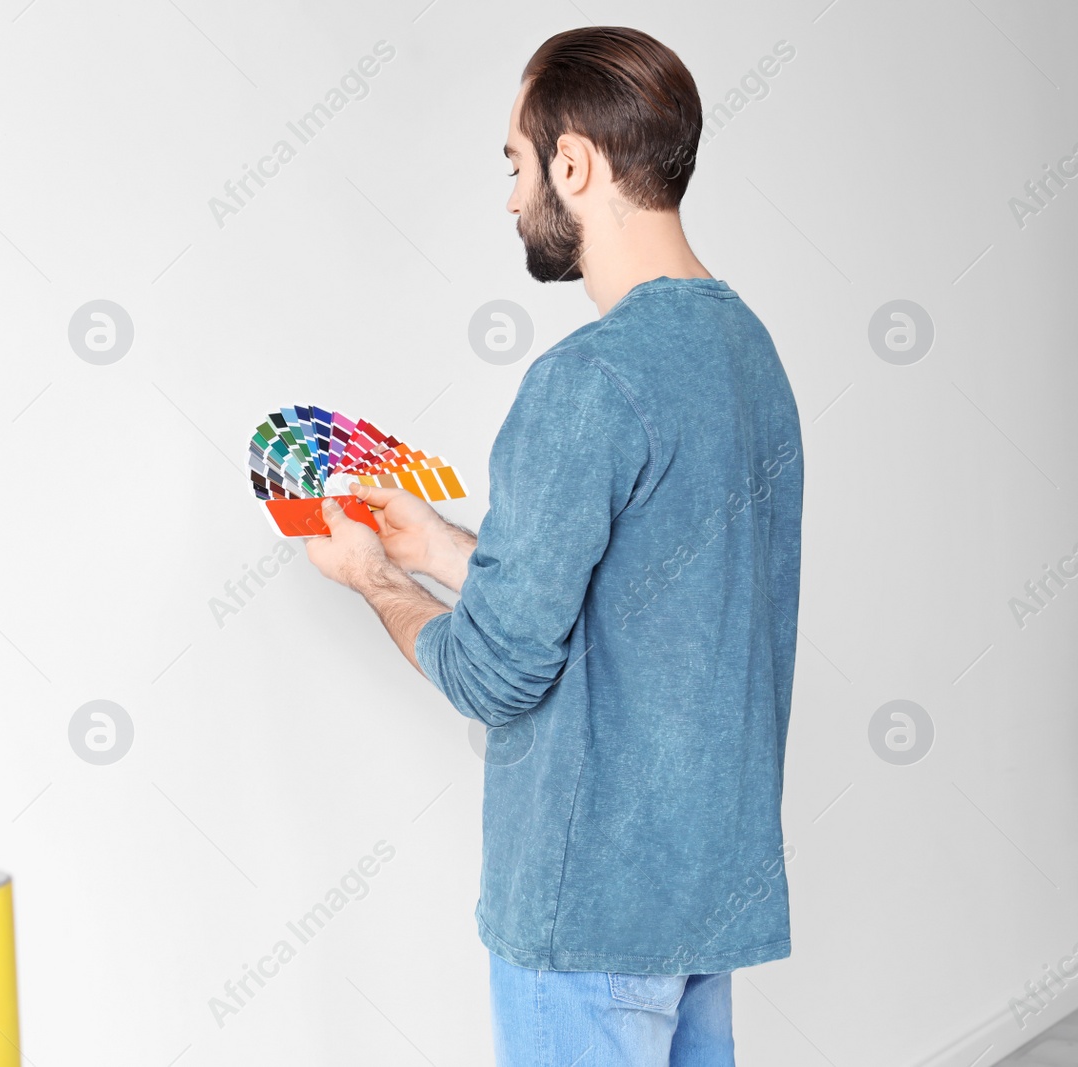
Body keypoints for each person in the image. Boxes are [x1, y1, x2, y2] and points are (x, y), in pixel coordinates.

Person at [302, 25, 803, 1067]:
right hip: (702, 888)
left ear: (573, 163)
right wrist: (443, 544)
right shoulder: (747, 353)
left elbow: (494, 671)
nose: (510, 195)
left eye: (516, 163)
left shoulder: (588, 380)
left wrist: (375, 582)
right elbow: (635, 597)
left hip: (587, 912)